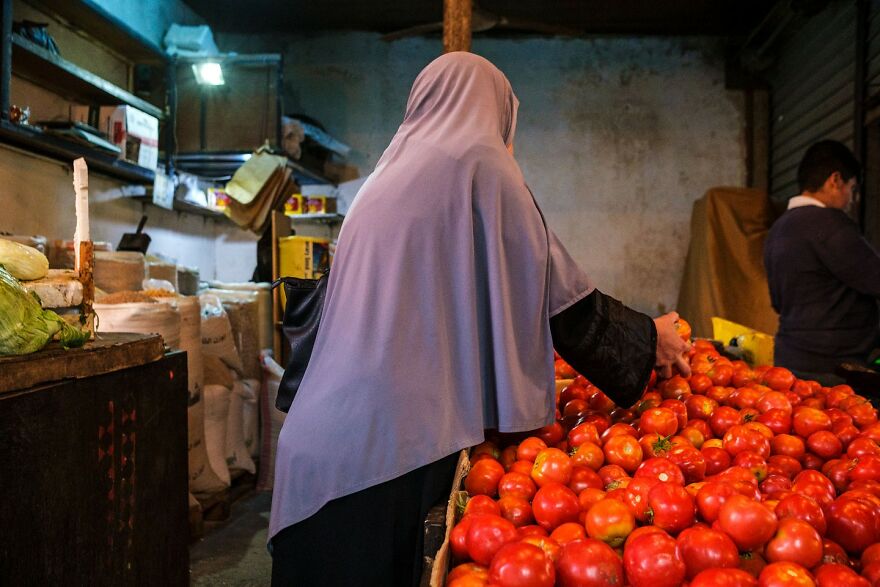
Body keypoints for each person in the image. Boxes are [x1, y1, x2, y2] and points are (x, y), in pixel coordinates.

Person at [269, 51, 690, 586]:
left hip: (319, 438)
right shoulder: (480, 163)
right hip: (388, 449)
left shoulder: (386, 176)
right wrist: (649, 338)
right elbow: (558, 294)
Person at [764, 140, 880, 382]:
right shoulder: (830, 225)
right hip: (834, 368)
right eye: (852, 188)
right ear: (835, 180)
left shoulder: (778, 228)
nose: (851, 199)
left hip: (790, 359)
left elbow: (778, 301)